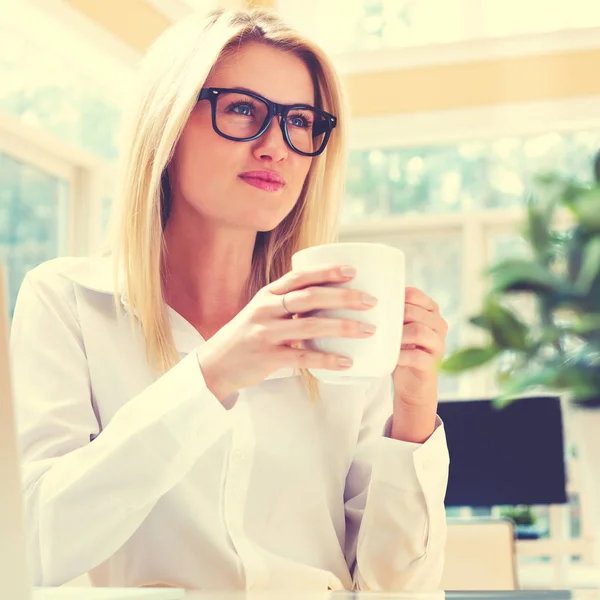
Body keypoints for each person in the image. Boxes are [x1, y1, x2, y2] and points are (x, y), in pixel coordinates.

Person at [10, 7, 450, 592]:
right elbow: (34, 547)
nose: (278, 147)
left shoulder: (342, 328)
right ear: (167, 125)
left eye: (300, 121)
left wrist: (414, 417)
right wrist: (211, 375)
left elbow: (401, 589)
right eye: (243, 109)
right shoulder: (68, 303)